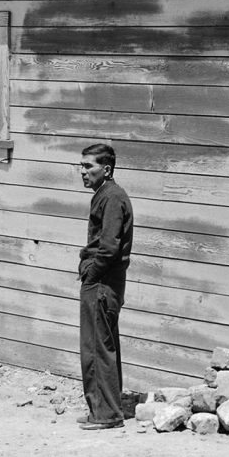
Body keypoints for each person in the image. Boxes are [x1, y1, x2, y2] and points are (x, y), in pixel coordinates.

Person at [76, 143, 134, 431]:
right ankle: (101, 408)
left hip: (102, 284)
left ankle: (108, 414)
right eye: (81, 165)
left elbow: (109, 248)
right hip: (100, 283)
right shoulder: (104, 195)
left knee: (99, 349)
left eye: (89, 166)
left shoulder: (112, 198)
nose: (82, 171)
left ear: (107, 169)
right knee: (97, 347)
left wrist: (90, 273)